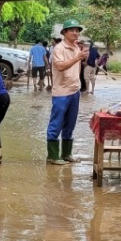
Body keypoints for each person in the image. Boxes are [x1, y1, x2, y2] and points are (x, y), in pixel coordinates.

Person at [47, 20, 87, 165]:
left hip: (74, 91)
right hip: (61, 92)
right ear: (64, 32)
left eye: (77, 30)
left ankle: (66, 153)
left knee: (70, 123)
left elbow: (77, 67)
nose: (75, 33)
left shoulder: (77, 47)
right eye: (72, 30)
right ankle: (52, 156)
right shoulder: (59, 48)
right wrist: (77, 57)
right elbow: (60, 66)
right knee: (56, 123)